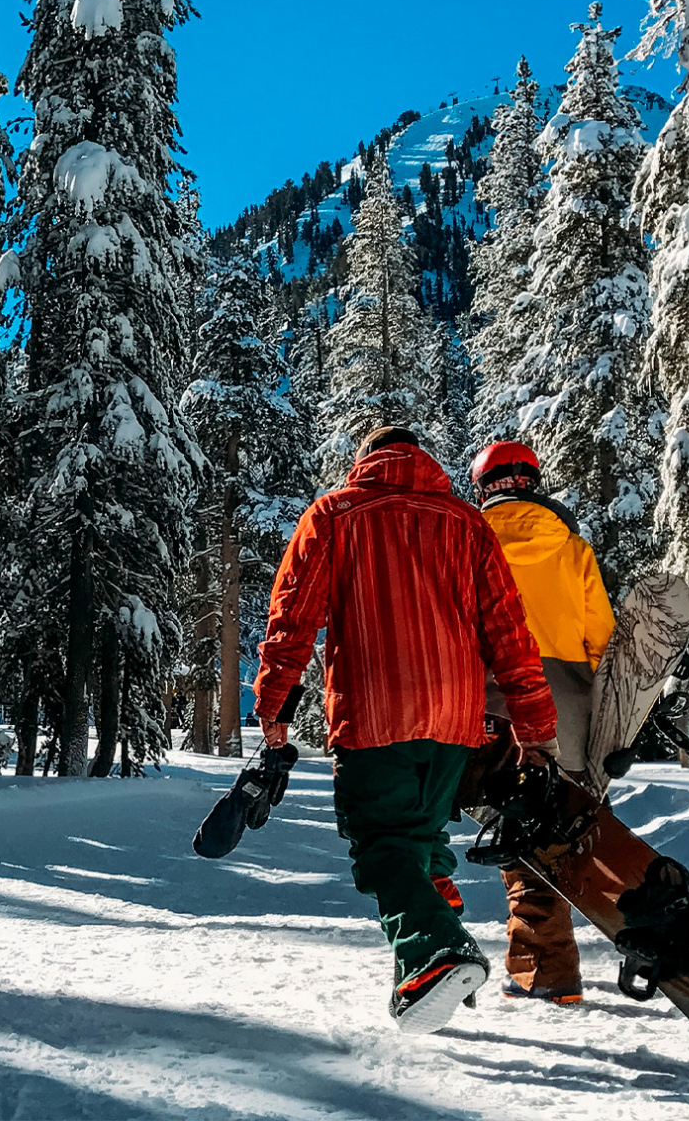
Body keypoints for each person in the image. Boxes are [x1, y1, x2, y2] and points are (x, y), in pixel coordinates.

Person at [251, 426, 559, 1035]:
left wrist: (274, 711)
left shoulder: (335, 514)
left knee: (381, 845)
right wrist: (536, 728)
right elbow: (509, 633)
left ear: (366, 461)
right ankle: (429, 941)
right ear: (422, 462)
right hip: (454, 719)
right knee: (417, 838)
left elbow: (292, 620)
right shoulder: (468, 524)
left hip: (373, 713)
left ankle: (435, 955)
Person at [469, 441, 615, 1005]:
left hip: (495, 703)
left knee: (520, 835)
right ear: (534, 481)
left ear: (482, 487)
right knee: (557, 830)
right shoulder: (572, 548)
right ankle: (550, 961)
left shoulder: (468, 542)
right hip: (570, 710)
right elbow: (602, 640)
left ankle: (546, 971)